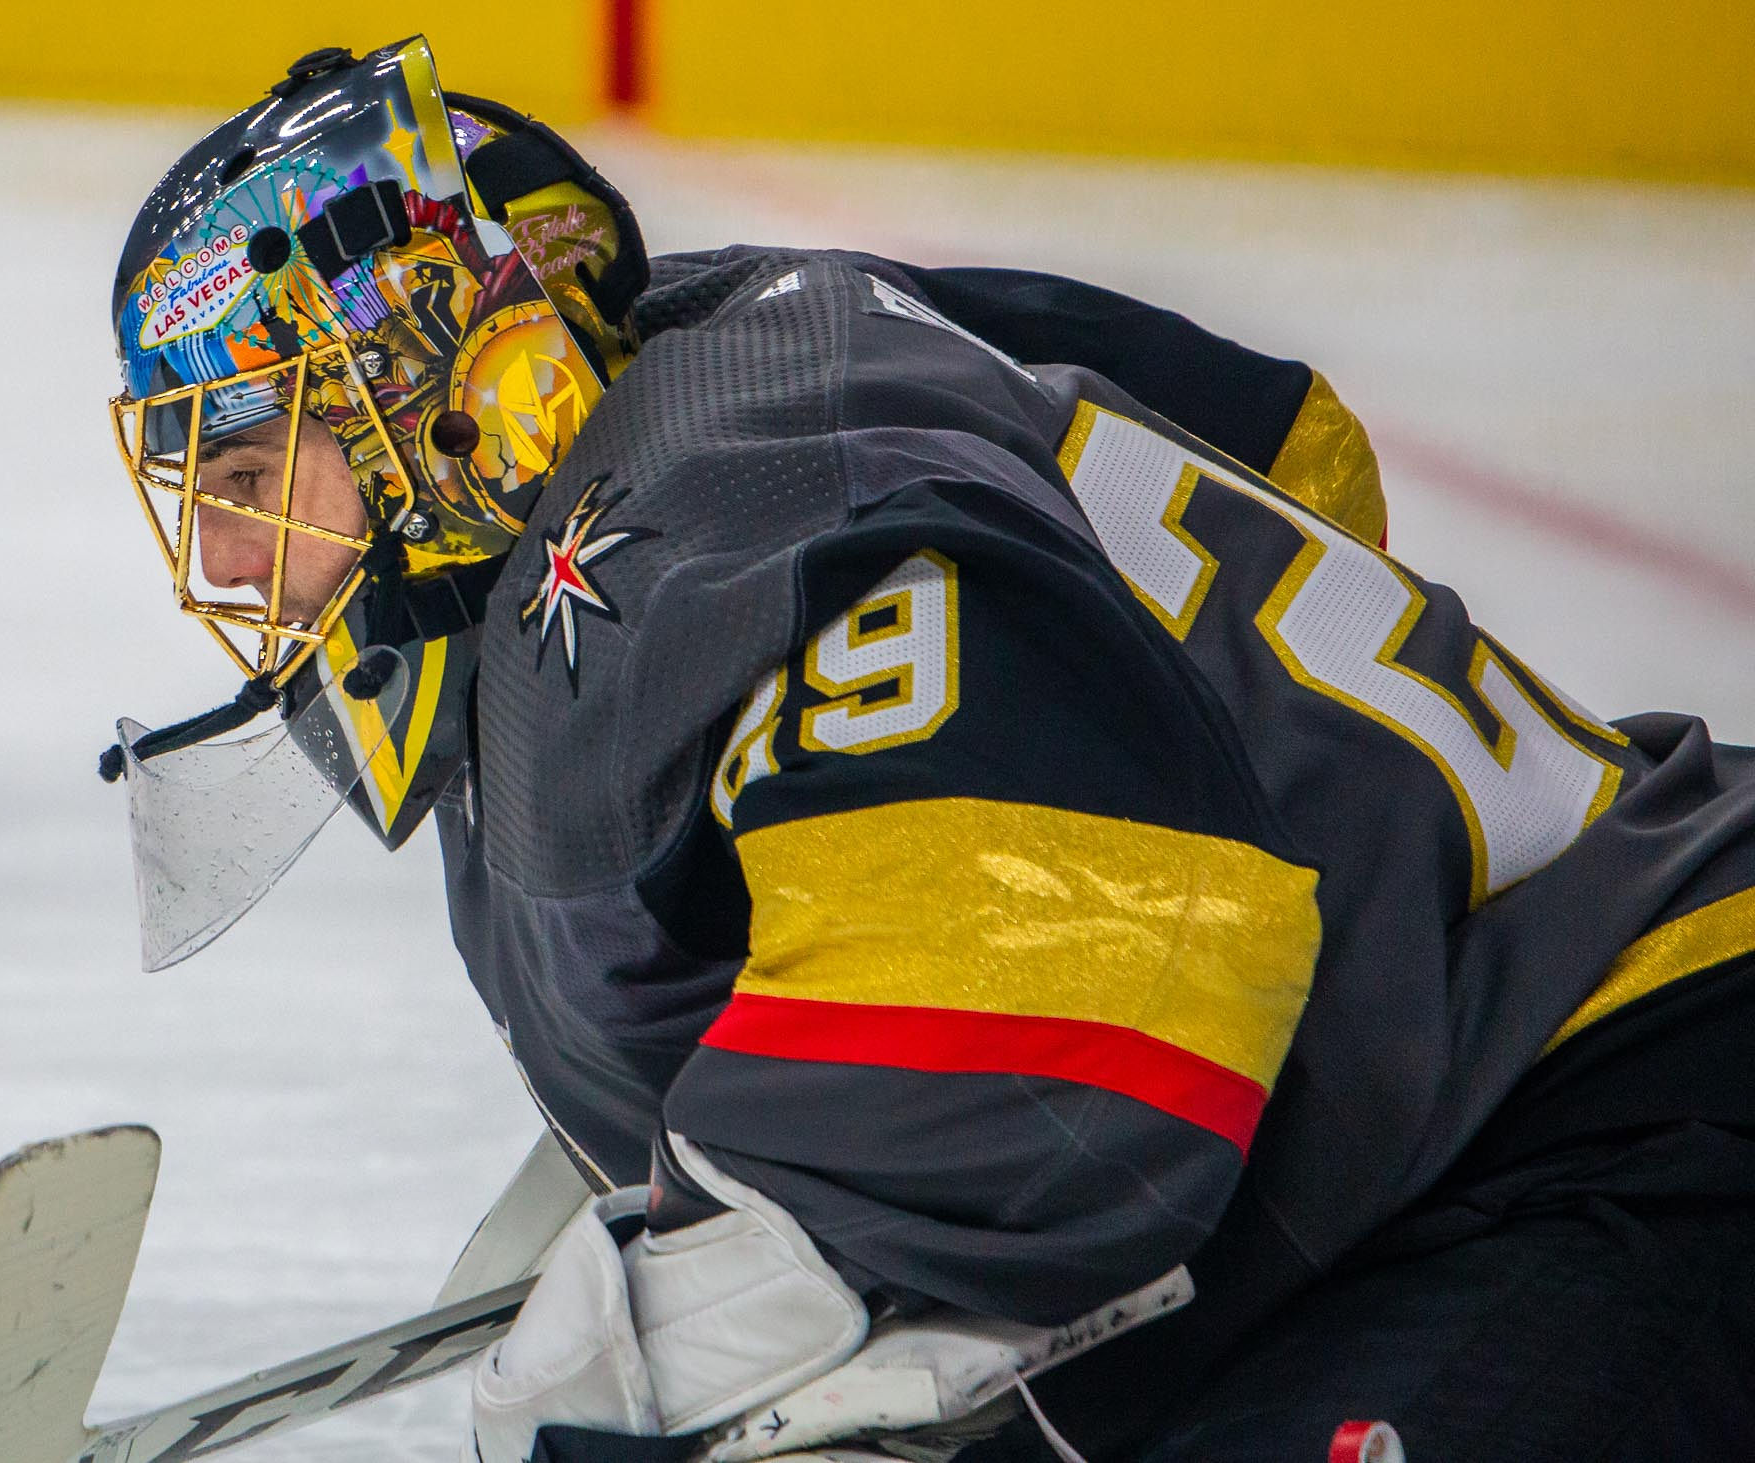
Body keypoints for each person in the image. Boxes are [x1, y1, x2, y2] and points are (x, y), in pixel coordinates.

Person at [99, 34, 1755, 1463]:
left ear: (425, 382)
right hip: (1485, 1118)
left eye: (249, 469)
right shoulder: (737, 363)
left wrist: (744, 1289)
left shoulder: (710, 530)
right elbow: (1293, 449)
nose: (231, 561)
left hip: (1627, 1104)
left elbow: (1113, 948)